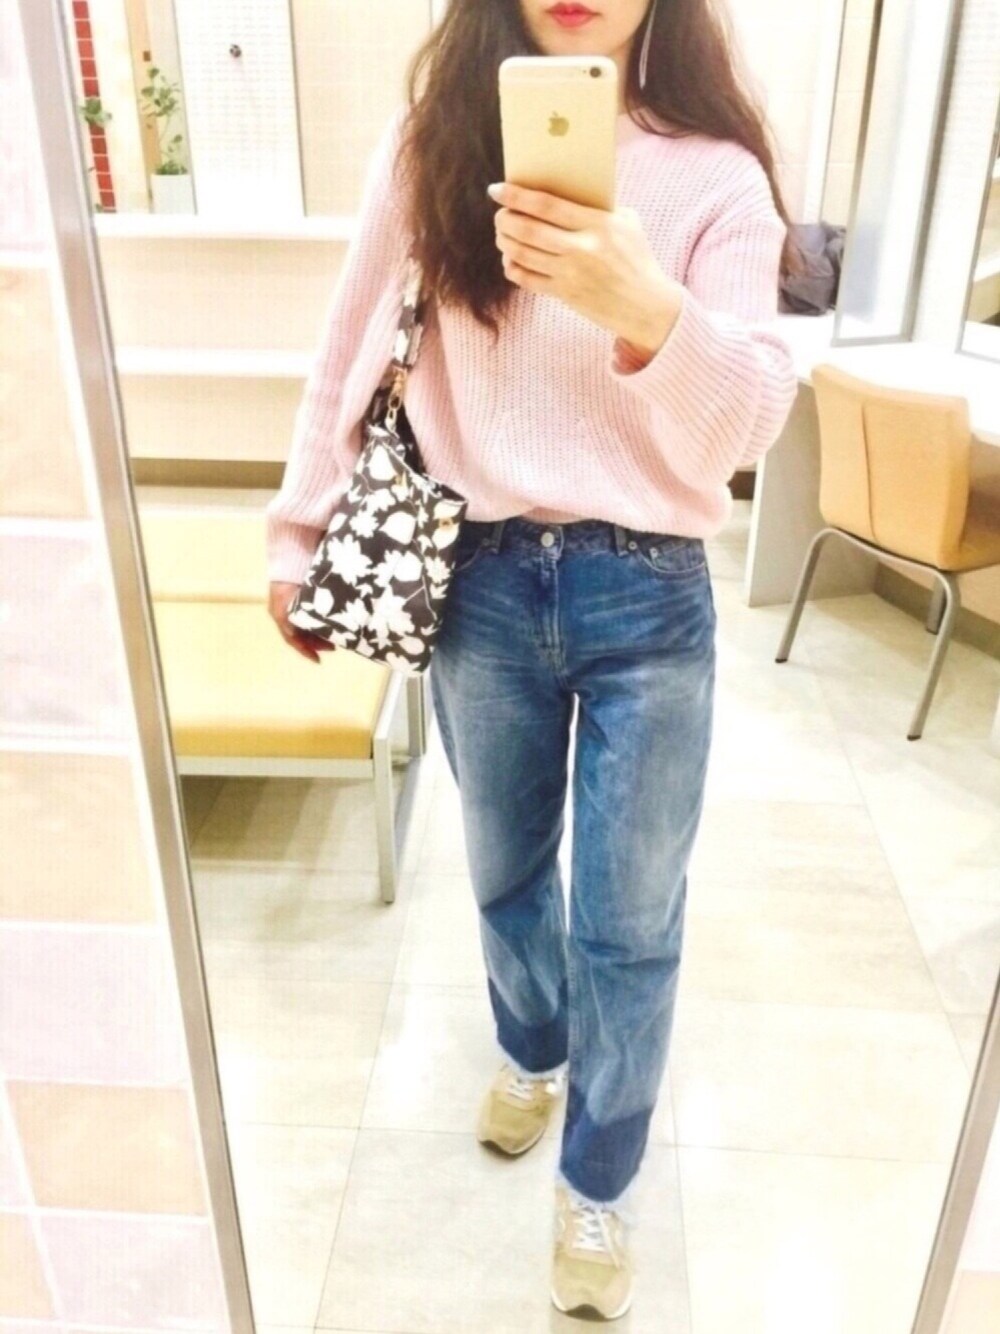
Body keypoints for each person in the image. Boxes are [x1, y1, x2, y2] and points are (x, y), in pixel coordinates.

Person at [266, 0, 799, 1319]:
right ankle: (531, 1044)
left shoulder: (719, 174)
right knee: (506, 867)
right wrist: (299, 528)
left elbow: (746, 426)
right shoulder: (432, 144)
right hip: (482, 579)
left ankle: (599, 1178)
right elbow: (348, 343)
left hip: (649, 593)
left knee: (631, 919)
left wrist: (647, 309)